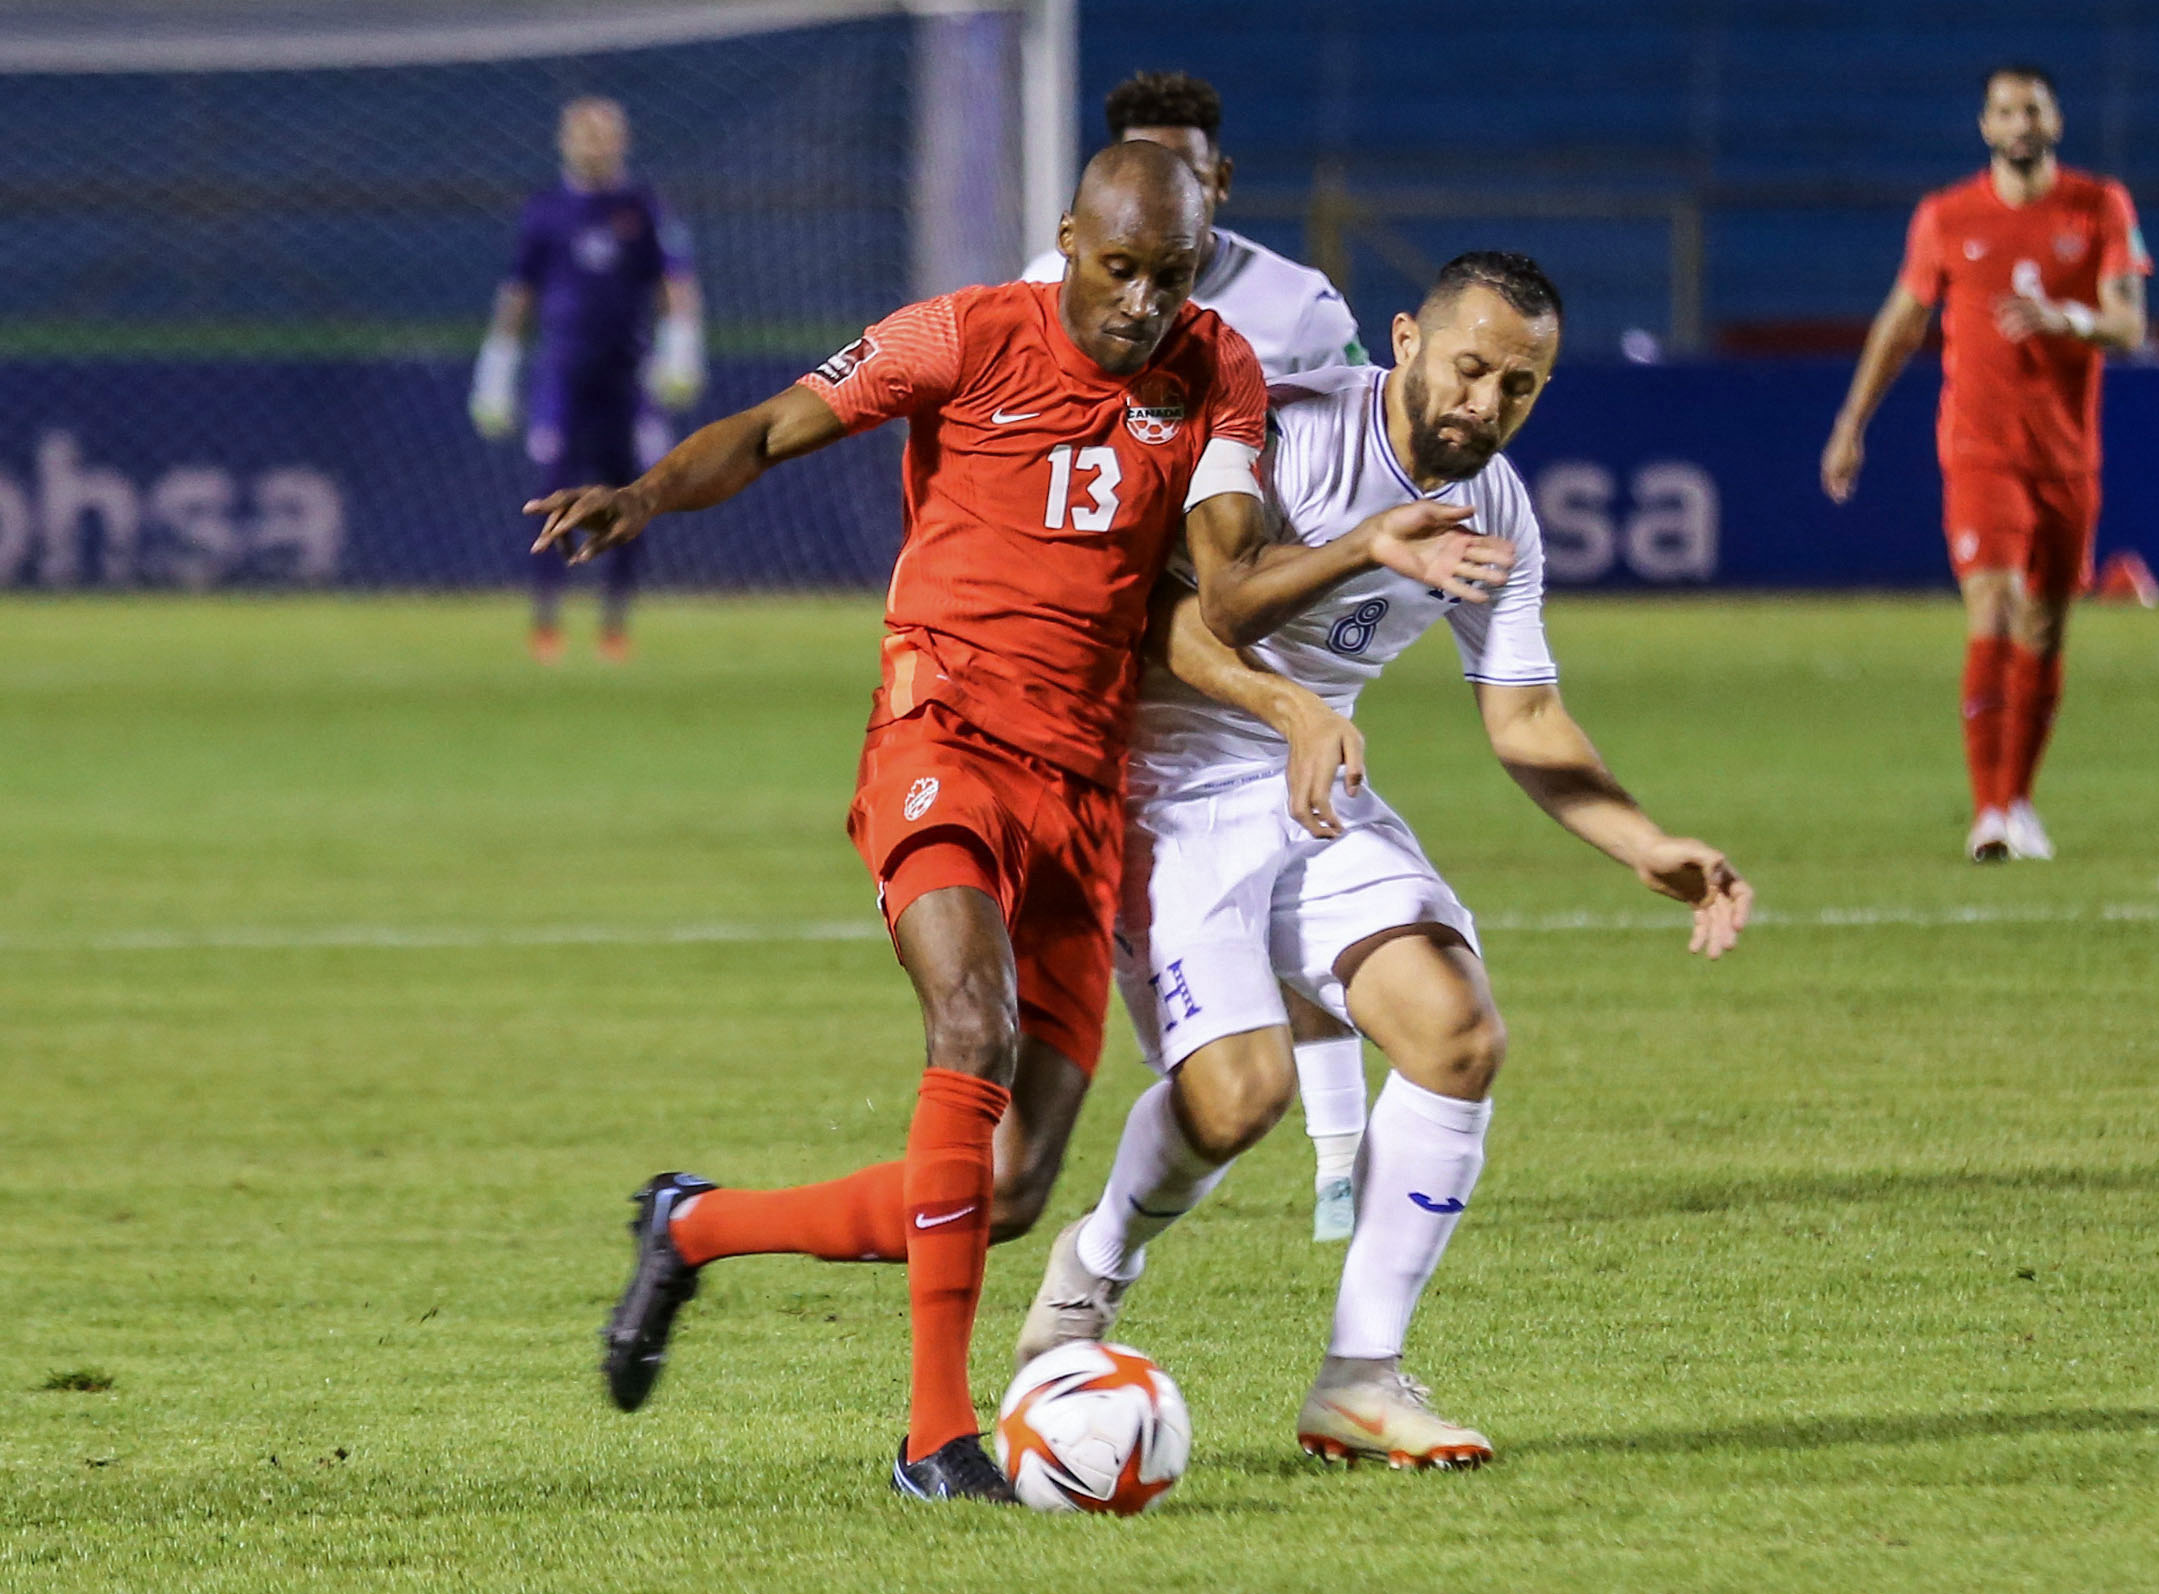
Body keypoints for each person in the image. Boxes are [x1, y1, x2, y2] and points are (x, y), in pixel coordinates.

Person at [534, 143, 1518, 1504]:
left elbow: (1225, 582)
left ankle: (695, 1225)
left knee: (1003, 1191)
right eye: (1118, 270)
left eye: (1169, 278)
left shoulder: (1214, 367)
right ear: (1069, 240)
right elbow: (766, 429)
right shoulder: (962, 334)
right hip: (939, 733)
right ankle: (934, 1434)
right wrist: (642, 495)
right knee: (970, 1029)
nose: (1142, 304)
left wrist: (1355, 548)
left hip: (1084, 782)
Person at [1013, 252, 1753, 1469]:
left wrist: (1642, 839)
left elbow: (1522, 719)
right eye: (1469, 368)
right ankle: (1094, 1266)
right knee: (1239, 1098)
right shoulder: (1286, 428)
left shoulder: (1495, 509)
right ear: (1404, 340)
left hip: (1311, 788)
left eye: (1520, 387)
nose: (1485, 404)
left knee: (1456, 1033)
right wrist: (1328, 627)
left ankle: (1358, 1379)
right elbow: (1181, 620)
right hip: (1158, 787)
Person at [1027, 69, 1376, 1241]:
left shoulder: (1299, 304)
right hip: (1103, 639)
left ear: (1217, 179)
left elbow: (1344, 454)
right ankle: (1052, 1188)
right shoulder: (1041, 293)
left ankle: (1339, 1158)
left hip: (1237, 617)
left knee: (1292, 860)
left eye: (1185, 166)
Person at [1821, 65, 2149, 862]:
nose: (2019, 121)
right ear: (1985, 126)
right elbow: (1898, 327)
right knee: (1994, 607)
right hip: (1978, 449)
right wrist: (1851, 422)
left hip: (2067, 455)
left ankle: (2020, 800)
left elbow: (2129, 327)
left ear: (2055, 120)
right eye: (2005, 109)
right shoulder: (1947, 217)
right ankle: (1989, 813)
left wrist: (2062, 317)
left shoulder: (2100, 205)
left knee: (2045, 626)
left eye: (2032, 107)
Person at [473, 97, 705, 663]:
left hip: (626, 378)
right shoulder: (546, 211)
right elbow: (518, 292)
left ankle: (614, 623)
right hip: (563, 377)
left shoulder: (643, 207)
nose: (595, 143)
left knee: (631, 495)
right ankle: (547, 619)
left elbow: (674, 281)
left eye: (606, 133)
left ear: (622, 141)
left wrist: (681, 348)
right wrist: (497, 367)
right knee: (554, 493)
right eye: (585, 133)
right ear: (565, 141)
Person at [1024, 71, 1365, 380]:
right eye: (1143, 180)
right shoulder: (1046, 283)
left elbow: (1360, 428)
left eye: (1189, 179)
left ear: (1221, 180)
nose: (1162, 202)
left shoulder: (1303, 309)